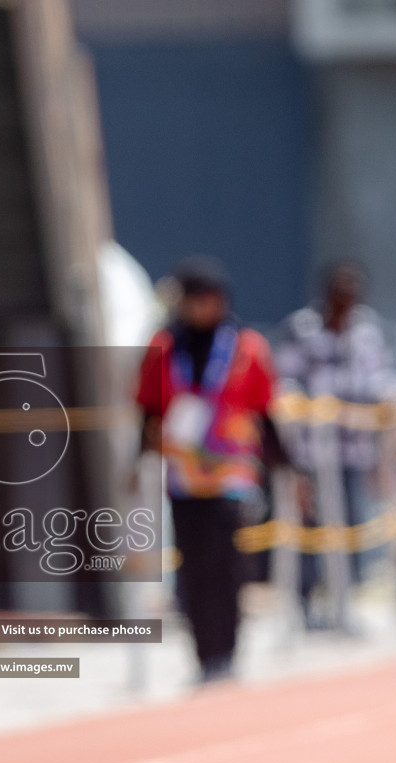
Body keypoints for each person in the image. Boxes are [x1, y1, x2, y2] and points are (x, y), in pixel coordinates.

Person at [135, 256, 278, 682]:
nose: (205, 308)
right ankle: (203, 655)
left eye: (212, 299)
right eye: (197, 300)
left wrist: (286, 467)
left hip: (232, 475)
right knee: (193, 568)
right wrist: (136, 461)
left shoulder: (246, 347)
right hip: (181, 477)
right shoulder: (163, 347)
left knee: (228, 565)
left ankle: (228, 650)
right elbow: (147, 410)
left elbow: (266, 412)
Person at [275, 261, 396, 626]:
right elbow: (286, 381)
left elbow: (382, 380)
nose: (347, 296)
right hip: (310, 452)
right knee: (311, 527)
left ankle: (344, 602)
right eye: (341, 288)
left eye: (353, 289)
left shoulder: (368, 331)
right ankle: (304, 607)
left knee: (351, 523)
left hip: (354, 449)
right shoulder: (302, 329)